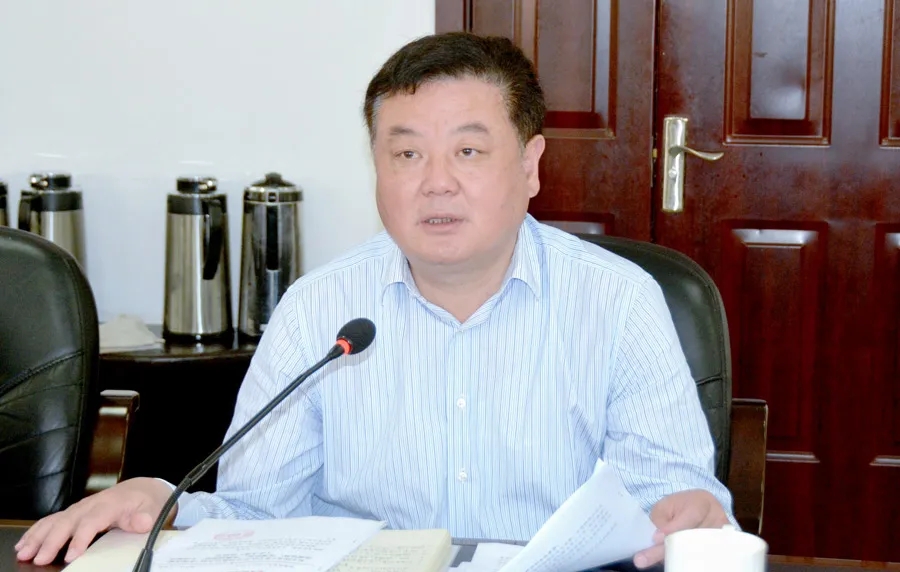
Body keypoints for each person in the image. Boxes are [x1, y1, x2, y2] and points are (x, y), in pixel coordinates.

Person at [16, 31, 732, 569]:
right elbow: (254, 514)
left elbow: (671, 499)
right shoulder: (319, 309)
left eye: (469, 151)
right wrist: (164, 503)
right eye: (406, 153)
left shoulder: (619, 303)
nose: (436, 181)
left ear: (530, 165)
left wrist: (691, 515)